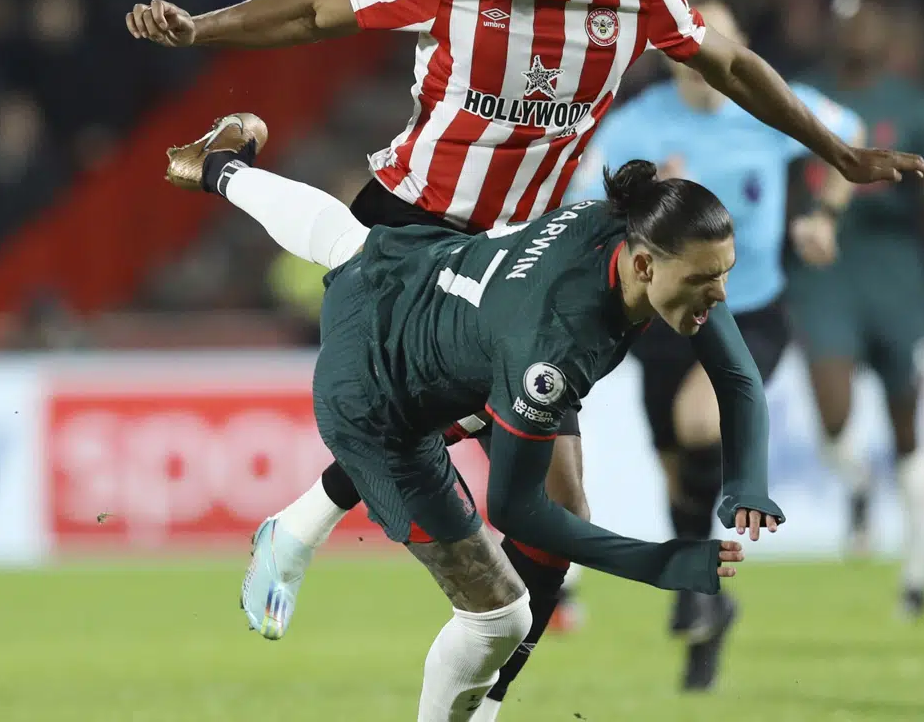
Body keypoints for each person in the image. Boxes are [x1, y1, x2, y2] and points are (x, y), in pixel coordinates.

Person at [128, 0, 924, 711]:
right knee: (443, 416)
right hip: (412, 220)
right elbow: (321, 9)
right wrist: (201, 30)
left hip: (520, 249)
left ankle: (471, 682)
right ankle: (305, 517)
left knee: (562, 501)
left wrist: (838, 151)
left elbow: (732, 63)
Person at [164, 112, 782, 722]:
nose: (721, 294)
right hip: (374, 396)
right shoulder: (551, 351)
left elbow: (734, 372)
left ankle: (221, 166)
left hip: (410, 267)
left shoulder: (627, 224)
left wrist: (748, 480)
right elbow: (517, 513)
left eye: (722, 273)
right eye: (706, 278)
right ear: (644, 265)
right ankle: (457, 694)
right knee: (499, 614)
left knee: (348, 243)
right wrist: (658, 563)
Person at [566, 0, 863, 690]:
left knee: (700, 422)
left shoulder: (770, 108)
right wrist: (643, 205)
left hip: (746, 309)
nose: (701, 59)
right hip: (664, 320)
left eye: (716, 43)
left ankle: (696, 587)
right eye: (688, 46)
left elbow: (847, 141)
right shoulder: (636, 127)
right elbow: (589, 213)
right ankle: (709, 612)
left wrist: (825, 214)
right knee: (676, 469)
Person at [784, 0, 924, 618]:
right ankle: (857, 484)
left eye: (867, 20)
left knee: (909, 428)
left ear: (886, 33)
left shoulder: (912, 105)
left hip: (896, 274)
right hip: (825, 271)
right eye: (846, 21)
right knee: (833, 415)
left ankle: (917, 574)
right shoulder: (802, 95)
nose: (856, 32)